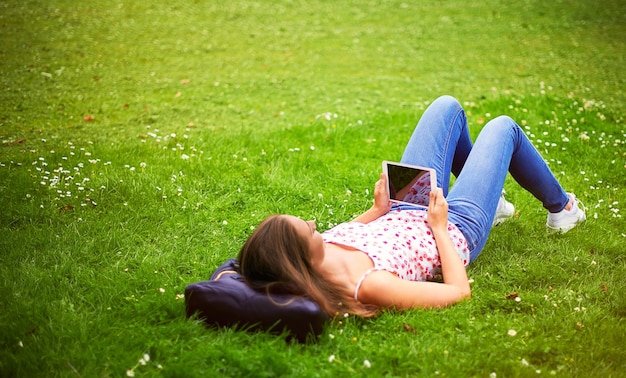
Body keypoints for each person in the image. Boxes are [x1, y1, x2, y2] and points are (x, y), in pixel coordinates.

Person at [238, 95, 586, 317]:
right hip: (455, 227)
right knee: (501, 128)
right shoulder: (366, 285)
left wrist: (377, 210)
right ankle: (563, 209)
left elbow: (351, 235)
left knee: (446, 107)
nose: (315, 224)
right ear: (301, 258)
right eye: (310, 229)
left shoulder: (316, 255)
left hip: (406, 205)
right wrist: (439, 226)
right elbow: (458, 292)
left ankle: (493, 203)